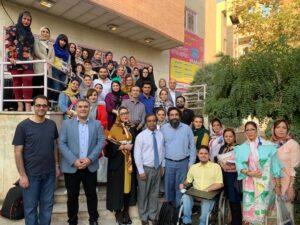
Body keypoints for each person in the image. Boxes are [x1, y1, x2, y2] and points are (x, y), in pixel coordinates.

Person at [12, 95, 60, 225]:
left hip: (49, 174)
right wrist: (22, 175)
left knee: (47, 207)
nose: (41, 108)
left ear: (47, 107)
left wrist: (56, 165)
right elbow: (17, 152)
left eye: (44, 106)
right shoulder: (23, 126)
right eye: (38, 105)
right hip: (31, 175)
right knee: (30, 209)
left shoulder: (51, 124)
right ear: (33, 107)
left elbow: (54, 145)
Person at [59, 99, 105, 225]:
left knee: (91, 195)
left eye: (86, 106)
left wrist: (90, 159)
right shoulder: (66, 124)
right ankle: (72, 220)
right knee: (72, 197)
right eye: (80, 107)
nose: (83, 109)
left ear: (89, 108)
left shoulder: (96, 124)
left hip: (90, 166)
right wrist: (74, 161)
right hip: (72, 167)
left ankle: (93, 219)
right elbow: (61, 143)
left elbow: (101, 141)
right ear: (76, 109)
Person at [234, 121, 282, 225]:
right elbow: (239, 164)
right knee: (249, 214)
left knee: (263, 214)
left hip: (266, 185)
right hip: (249, 184)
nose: (250, 132)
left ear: (257, 130)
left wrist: (278, 185)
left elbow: (276, 167)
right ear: (245, 132)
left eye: (252, 129)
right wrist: (249, 173)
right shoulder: (241, 148)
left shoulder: (269, 146)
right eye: (247, 130)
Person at [106, 107, 137, 224]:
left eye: (126, 113)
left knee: (128, 188)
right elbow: (109, 147)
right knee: (118, 189)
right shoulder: (114, 128)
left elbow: (136, 143)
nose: (125, 115)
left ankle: (126, 211)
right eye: (122, 113)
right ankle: (118, 213)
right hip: (118, 163)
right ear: (118, 115)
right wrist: (123, 146)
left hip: (129, 162)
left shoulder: (131, 128)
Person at [161, 107, 196, 207]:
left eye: (176, 114)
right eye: (171, 115)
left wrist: (191, 164)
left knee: (181, 188)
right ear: (168, 117)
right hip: (168, 163)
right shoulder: (163, 129)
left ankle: (178, 212)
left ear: (179, 116)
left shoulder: (187, 129)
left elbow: (192, 147)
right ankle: (170, 212)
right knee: (168, 188)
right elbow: (161, 148)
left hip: (183, 164)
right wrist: (163, 165)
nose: (174, 117)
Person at [179, 146, 223, 225]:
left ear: (209, 155)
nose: (203, 155)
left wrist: (206, 190)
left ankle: (203, 223)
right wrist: (182, 184)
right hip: (195, 193)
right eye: (201, 153)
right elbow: (188, 181)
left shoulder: (216, 167)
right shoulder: (193, 167)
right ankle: (186, 221)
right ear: (197, 155)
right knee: (185, 197)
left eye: (206, 153)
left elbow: (219, 183)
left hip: (209, 194)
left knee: (206, 203)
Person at [134, 114, 165, 225]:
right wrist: (141, 171)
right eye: (149, 121)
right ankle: (144, 217)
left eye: (154, 121)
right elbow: (137, 154)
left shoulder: (160, 135)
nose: (152, 123)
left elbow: (162, 151)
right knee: (143, 194)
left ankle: (153, 216)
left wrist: (162, 165)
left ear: (156, 121)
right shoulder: (141, 136)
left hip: (157, 168)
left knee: (154, 193)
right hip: (145, 169)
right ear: (146, 122)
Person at [271, 119, 300, 222]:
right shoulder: (271, 145)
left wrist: (291, 187)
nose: (281, 130)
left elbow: (295, 168)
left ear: (287, 130)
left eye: (284, 127)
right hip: (272, 186)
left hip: (287, 186)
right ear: (274, 129)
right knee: (273, 218)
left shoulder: (293, 145)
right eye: (278, 127)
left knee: (287, 217)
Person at [5, 11, 35, 111]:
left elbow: (31, 48)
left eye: (29, 20)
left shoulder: (30, 32)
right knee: (16, 82)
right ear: (20, 18)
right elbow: (8, 43)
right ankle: (20, 105)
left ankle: (27, 106)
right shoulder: (12, 28)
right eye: (24, 18)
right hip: (15, 60)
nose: (26, 21)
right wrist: (11, 56)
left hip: (28, 61)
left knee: (28, 80)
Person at [217, 128, 242, 225]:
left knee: (235, 200)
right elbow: (218, 159)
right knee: (229, 200)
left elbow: (242, 162)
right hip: (224, 176)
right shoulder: (222, 148)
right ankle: (233, 220)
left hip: (234, 177)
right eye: (226, 136)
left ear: (234, 137)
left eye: (230, 136)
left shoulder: (239, 147)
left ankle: (237, 222)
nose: (228, 138)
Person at [33, 26, 54, 97]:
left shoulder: (51, 45)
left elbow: (52, 57)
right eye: (43, 31)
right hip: (39, 67)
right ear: (40, 33)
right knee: (39, 86)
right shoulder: (36, 41)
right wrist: (46, 60)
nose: (45, 33)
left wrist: (49, 62)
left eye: (47, 32)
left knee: (47, 88)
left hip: (48, 68)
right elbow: (37, 52)